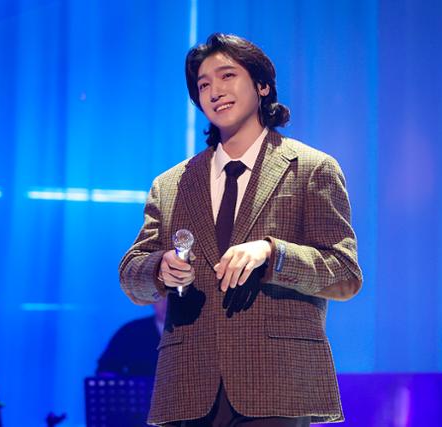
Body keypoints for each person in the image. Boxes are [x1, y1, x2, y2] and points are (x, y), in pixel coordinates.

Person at [119, 33, 362, 427]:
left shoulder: (311, 169)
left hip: (277, 383)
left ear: (262, 86)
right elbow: (132, 275)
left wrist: (271, 253)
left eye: (227, 76)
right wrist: (160, 268)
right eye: (203, 85)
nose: (215, 91)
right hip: (188, 386)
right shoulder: (171, 184)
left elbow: (345, 274)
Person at [96, 298, 167, 377]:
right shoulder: (130, 332)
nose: (167, 303)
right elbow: (106, 370)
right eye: (161, 298)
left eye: (173, 297)